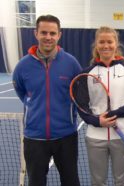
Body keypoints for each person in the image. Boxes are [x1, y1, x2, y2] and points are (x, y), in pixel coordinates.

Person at [12, 15, 81, 186]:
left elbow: (79, 93)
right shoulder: (22, 66)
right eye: (44, 32)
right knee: (36, 182)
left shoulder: (72, 64)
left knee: (71, 181)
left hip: (66, 136)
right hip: (34, 138)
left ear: (59, 35)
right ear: (36, 34)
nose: (48, 37)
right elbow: (21, 92)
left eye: (52, 33)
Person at [77, 26, 124, 186]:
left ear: (116, 43)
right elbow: (82, 107)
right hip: (95, 136)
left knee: (122, 181)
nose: (106, 46)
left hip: (123, 134)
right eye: (102, 42)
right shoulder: (88, 72)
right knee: (98, 182)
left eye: (109, 42)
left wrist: (116, 114)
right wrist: (98, 121)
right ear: (96, 45)